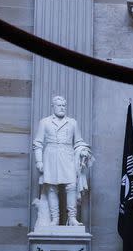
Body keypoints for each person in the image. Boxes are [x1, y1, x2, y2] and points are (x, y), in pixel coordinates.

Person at [32, 95, 93, 226]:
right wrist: (39, 161)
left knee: (71, 186)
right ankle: (55, 219)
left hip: (68, 157)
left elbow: (78, 141)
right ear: (53, 107)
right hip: (50, 157)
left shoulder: (72, 122)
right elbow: (37, 143)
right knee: (52, 188)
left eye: (64, 105)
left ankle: (72, 218)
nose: (62, 108)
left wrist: (83, 150)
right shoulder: (45, 122)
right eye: (59, 105)